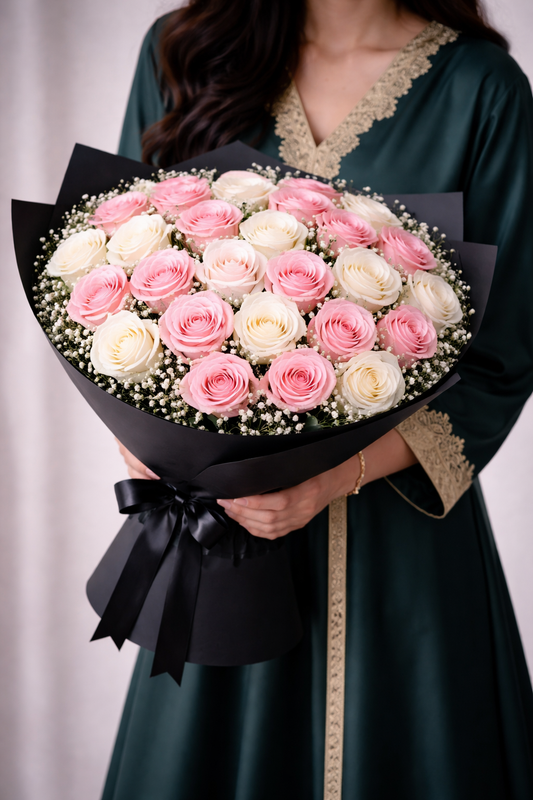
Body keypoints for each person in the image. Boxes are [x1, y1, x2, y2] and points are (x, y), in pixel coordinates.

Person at [103, 1, 533, 797]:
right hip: (218, 536)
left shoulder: (482, 88)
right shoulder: (182, 50)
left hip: (403, 544)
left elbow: (502, 358)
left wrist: (328, 480)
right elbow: (115, 282)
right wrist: (154, 448)